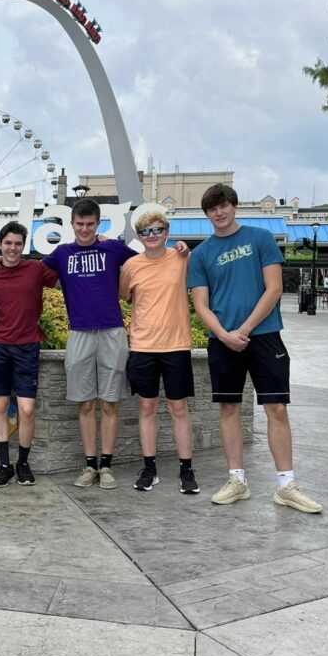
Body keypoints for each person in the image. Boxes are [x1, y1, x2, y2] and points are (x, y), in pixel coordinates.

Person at [188, 183, 322, 513]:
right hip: (223, 341)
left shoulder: (260, 239)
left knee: (276, 408)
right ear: (206, 214)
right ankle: (237, 481)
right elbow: (201, 305)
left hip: (264, 336)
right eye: (212, 209)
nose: (219, 212)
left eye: (224, 206)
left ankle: (286, 486)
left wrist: (244, 330)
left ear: (234, 207)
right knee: (228, 408)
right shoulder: (201, 254)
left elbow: (274, 289)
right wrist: (224, 335)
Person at [40, 197, 136, 489]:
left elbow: (148, 263)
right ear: (71, 224)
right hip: (79, 333)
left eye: (90, 224)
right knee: (84, 403)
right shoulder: (62, 253)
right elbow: (31, 273)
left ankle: (106, 466)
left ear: (98, 224)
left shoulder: (113, 248)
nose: (84, 229)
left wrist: (179, 252)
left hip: (112, 332)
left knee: (109, 402)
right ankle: (89, 465)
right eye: (80, 224)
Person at [119, 210, 198, 494]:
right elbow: (125, 296)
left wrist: (186, 250)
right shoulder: (131, 266)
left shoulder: (182, 258)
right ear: (139, 237)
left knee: (178, 407)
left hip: (176, 345)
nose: (151, 236)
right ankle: (149, 468)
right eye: (145, 232)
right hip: (142, 347)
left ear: (166, 232)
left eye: (157, 230)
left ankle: (186, 469)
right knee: (147, 406)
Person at [0, 221, 59, 487]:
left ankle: (23, 463)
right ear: (0, 244)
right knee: (1, 406)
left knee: (27, 409)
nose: (12, 248)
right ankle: (4, 466)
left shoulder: (36, 269)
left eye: (18, 244)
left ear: (24, 246)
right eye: (8, 243)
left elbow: (65, 269)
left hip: (27, 346)